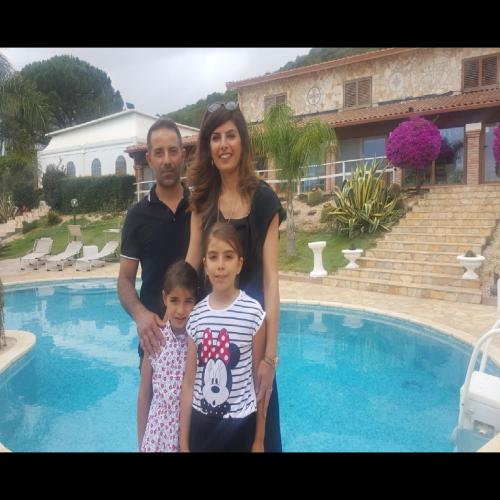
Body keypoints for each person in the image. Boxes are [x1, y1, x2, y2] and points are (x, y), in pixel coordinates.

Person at [185, 101, 285, 451]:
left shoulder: (264, 200)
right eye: (215, 137)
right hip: (211, 337)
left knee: (258, 439)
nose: (223, 144)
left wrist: (270, 356)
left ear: (242, 142)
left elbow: (271, 281)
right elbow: (191, 265)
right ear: (208, 147)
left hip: (251, 339)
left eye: (230, 135)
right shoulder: (202, 200)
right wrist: (171, 315)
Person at [180, 222, 266, 452]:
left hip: (241, 425)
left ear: (239, 264)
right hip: (202, 425)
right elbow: (189, 383)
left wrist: (259, 440)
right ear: (205, 265)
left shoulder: (254, 313)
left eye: (228, 257)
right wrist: (183, 443)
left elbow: (259, 384)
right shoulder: (196, 316)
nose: (220, 265)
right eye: (213, 257)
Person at [118, 118, 191, 366]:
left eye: (173, 151)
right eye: (159, 153)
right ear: (149, 159)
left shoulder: (201, 208)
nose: (167, 160)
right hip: (155, 341)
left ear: (183, 155)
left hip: (199, 339)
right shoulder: (137, 216)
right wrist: (140, 315)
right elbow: (124, 280)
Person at [137, 260, 197, 452]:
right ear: (165, 298)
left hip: (187, 434)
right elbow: (144, 394)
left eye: (188, 301)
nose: (181, 310)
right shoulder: (155, 338)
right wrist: (141, 443)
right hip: (157, 435)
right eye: (174, 300)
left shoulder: (197, 342)